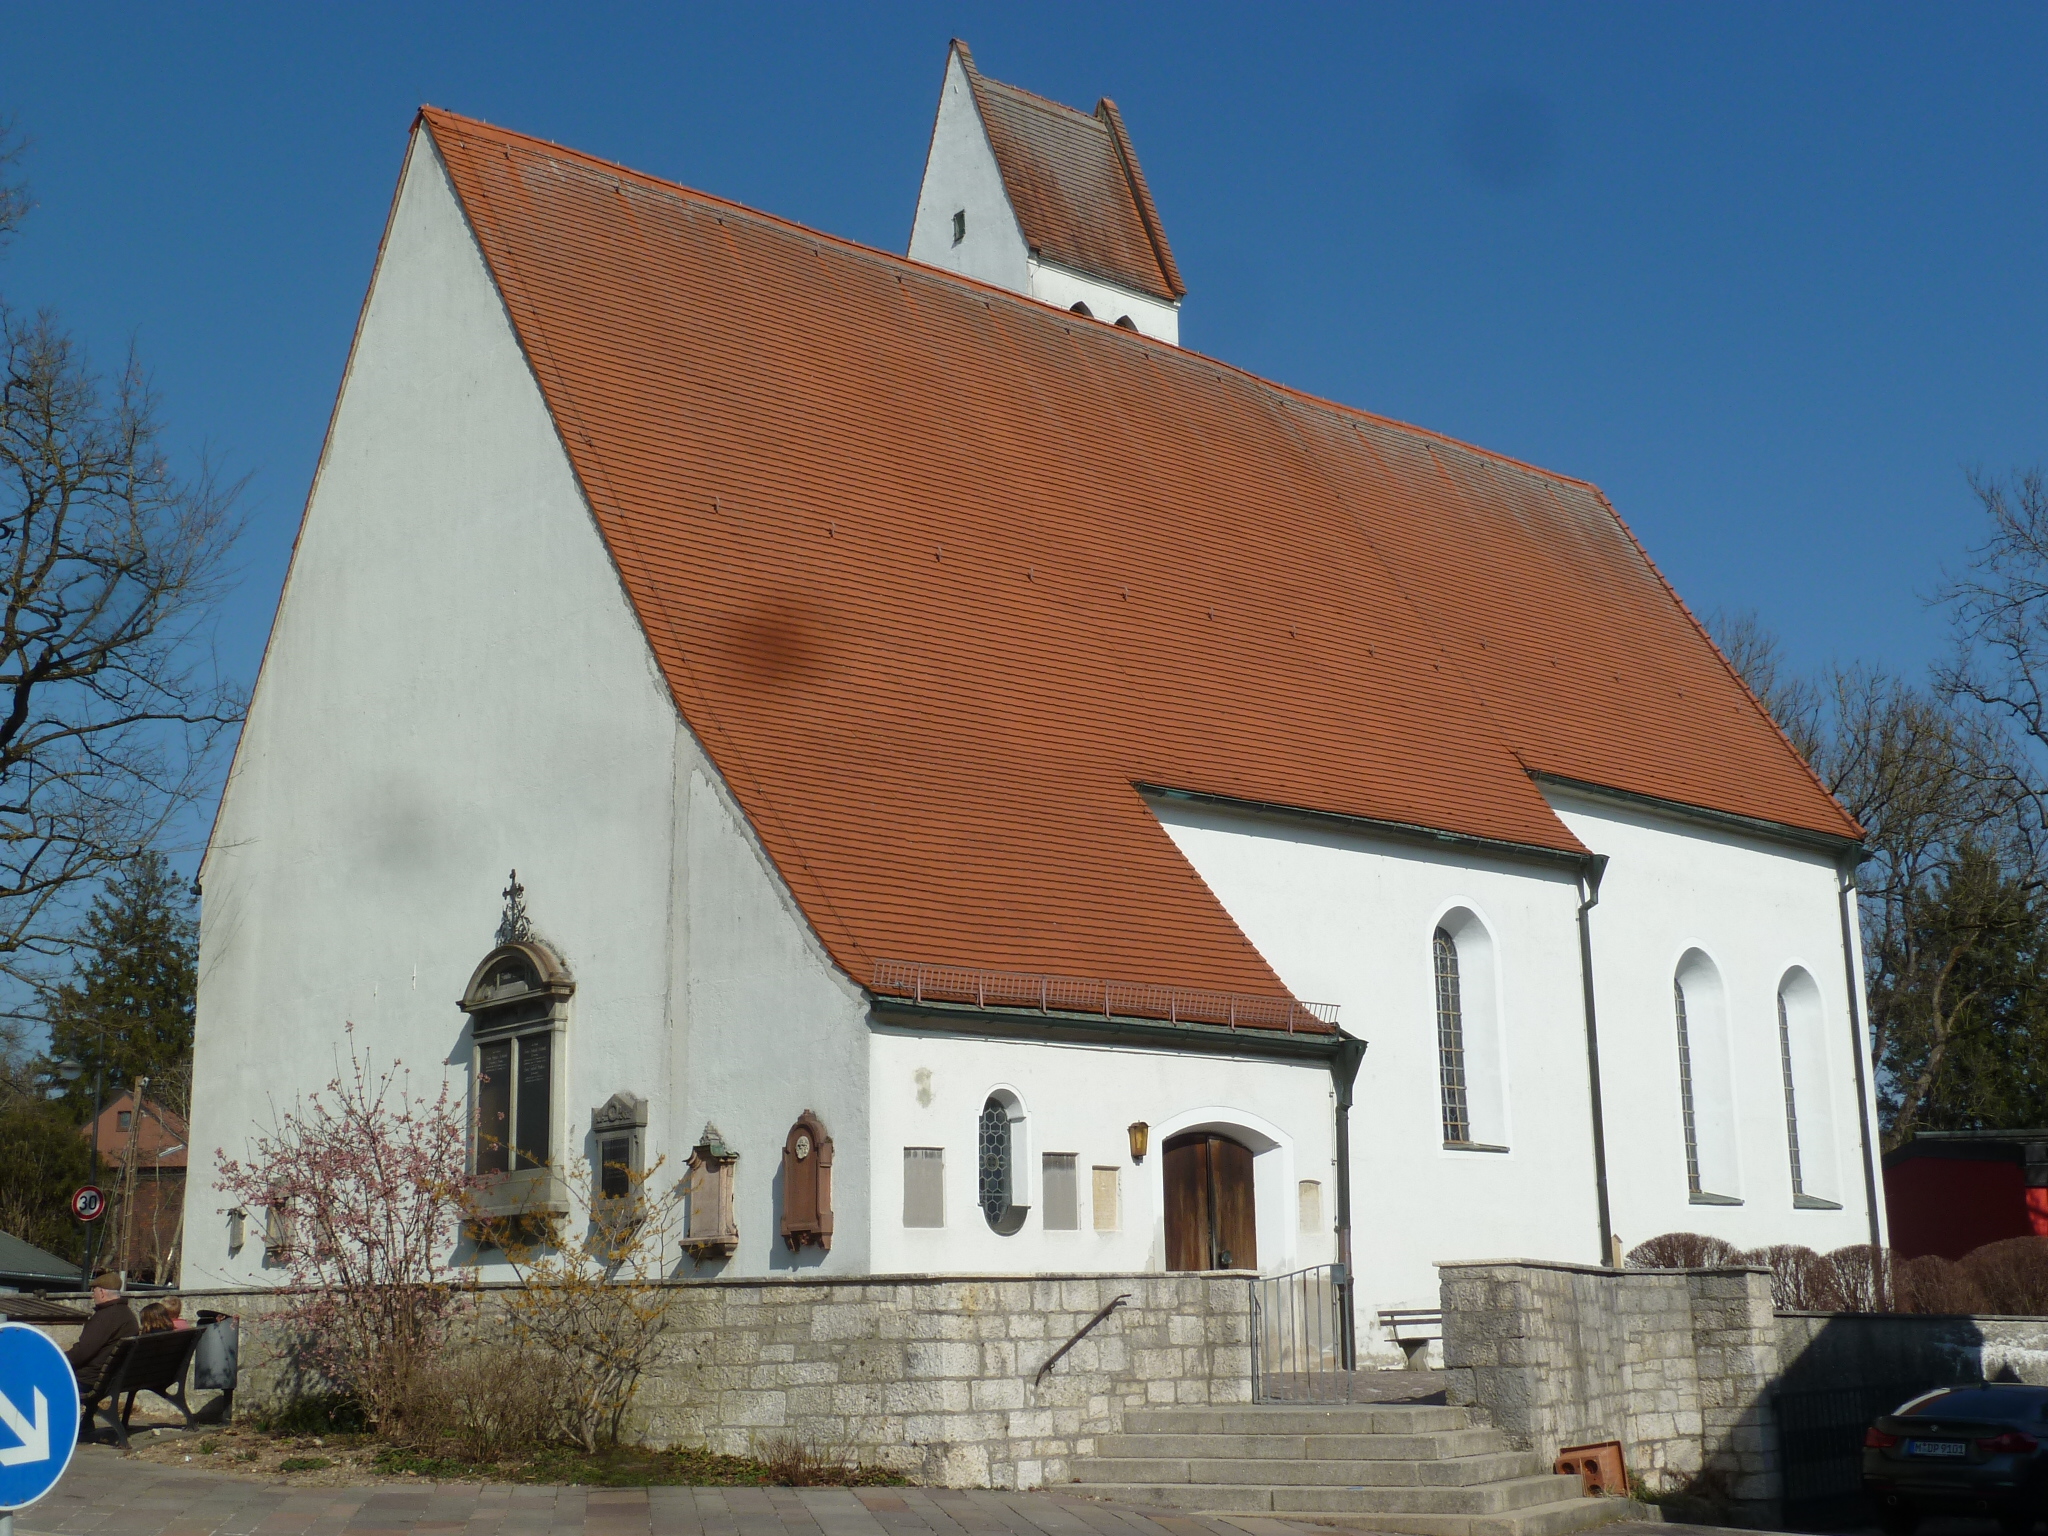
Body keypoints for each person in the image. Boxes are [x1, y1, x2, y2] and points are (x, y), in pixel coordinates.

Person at [66, 1273, 138, 1408]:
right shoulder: (128, 1315)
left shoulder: (105, 1317)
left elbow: (82, 1352)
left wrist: (60, 1359)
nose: (93, 1296)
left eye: (94, 1291)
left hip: (90, 1378)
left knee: (46, 1377)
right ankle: (86, 1422)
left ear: (102, 1292)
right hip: (112, 1377)